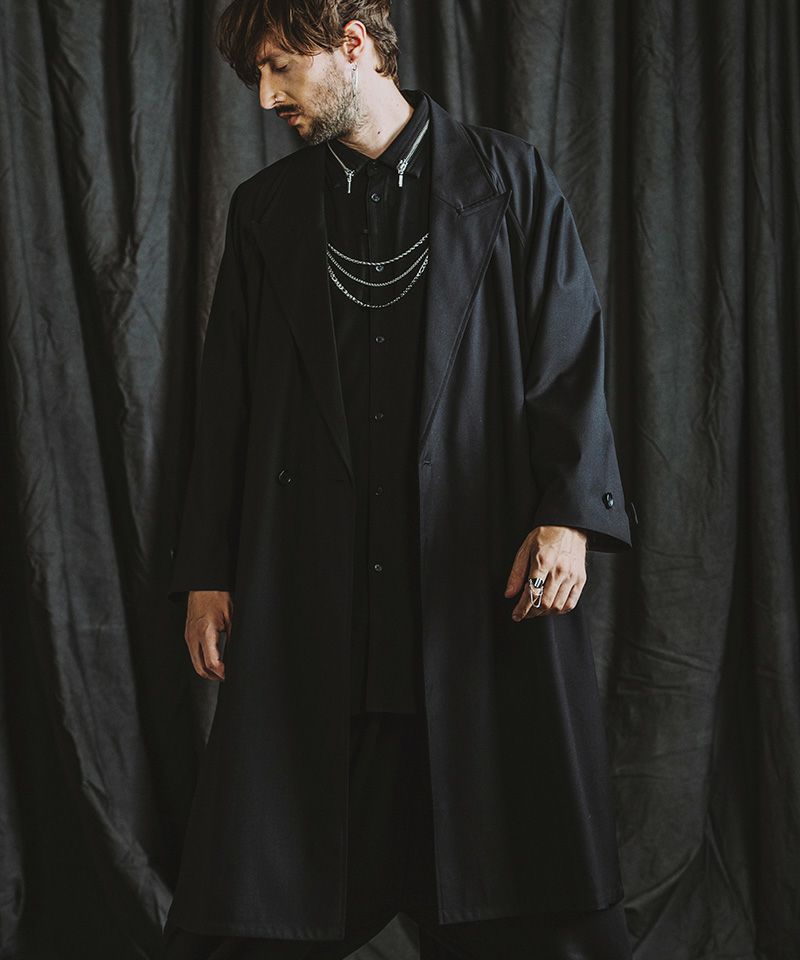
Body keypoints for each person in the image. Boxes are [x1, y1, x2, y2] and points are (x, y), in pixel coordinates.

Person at [163, 1, 638, 957]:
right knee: (260, 898)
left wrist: (569, 516)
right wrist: (207, 569)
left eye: (279, 68)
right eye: (256, 77)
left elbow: (568, 354)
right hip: (316, 592)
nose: (265, 98)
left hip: (474, 587)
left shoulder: (509, 179)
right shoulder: (265, 212)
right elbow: (227, 406)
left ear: (352, 45)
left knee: (527, 887)